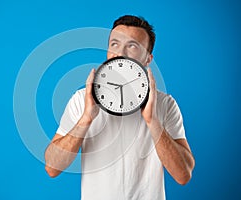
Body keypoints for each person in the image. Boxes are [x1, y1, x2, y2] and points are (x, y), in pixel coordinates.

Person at [44, 15, 195, 200]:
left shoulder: (166, 104)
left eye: (132, 46)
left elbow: (183, 175)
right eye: (114, 44)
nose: (120, 52)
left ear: (148, 58)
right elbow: (52, 167)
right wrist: (86, 118)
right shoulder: (81, 100)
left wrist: (152, 121)